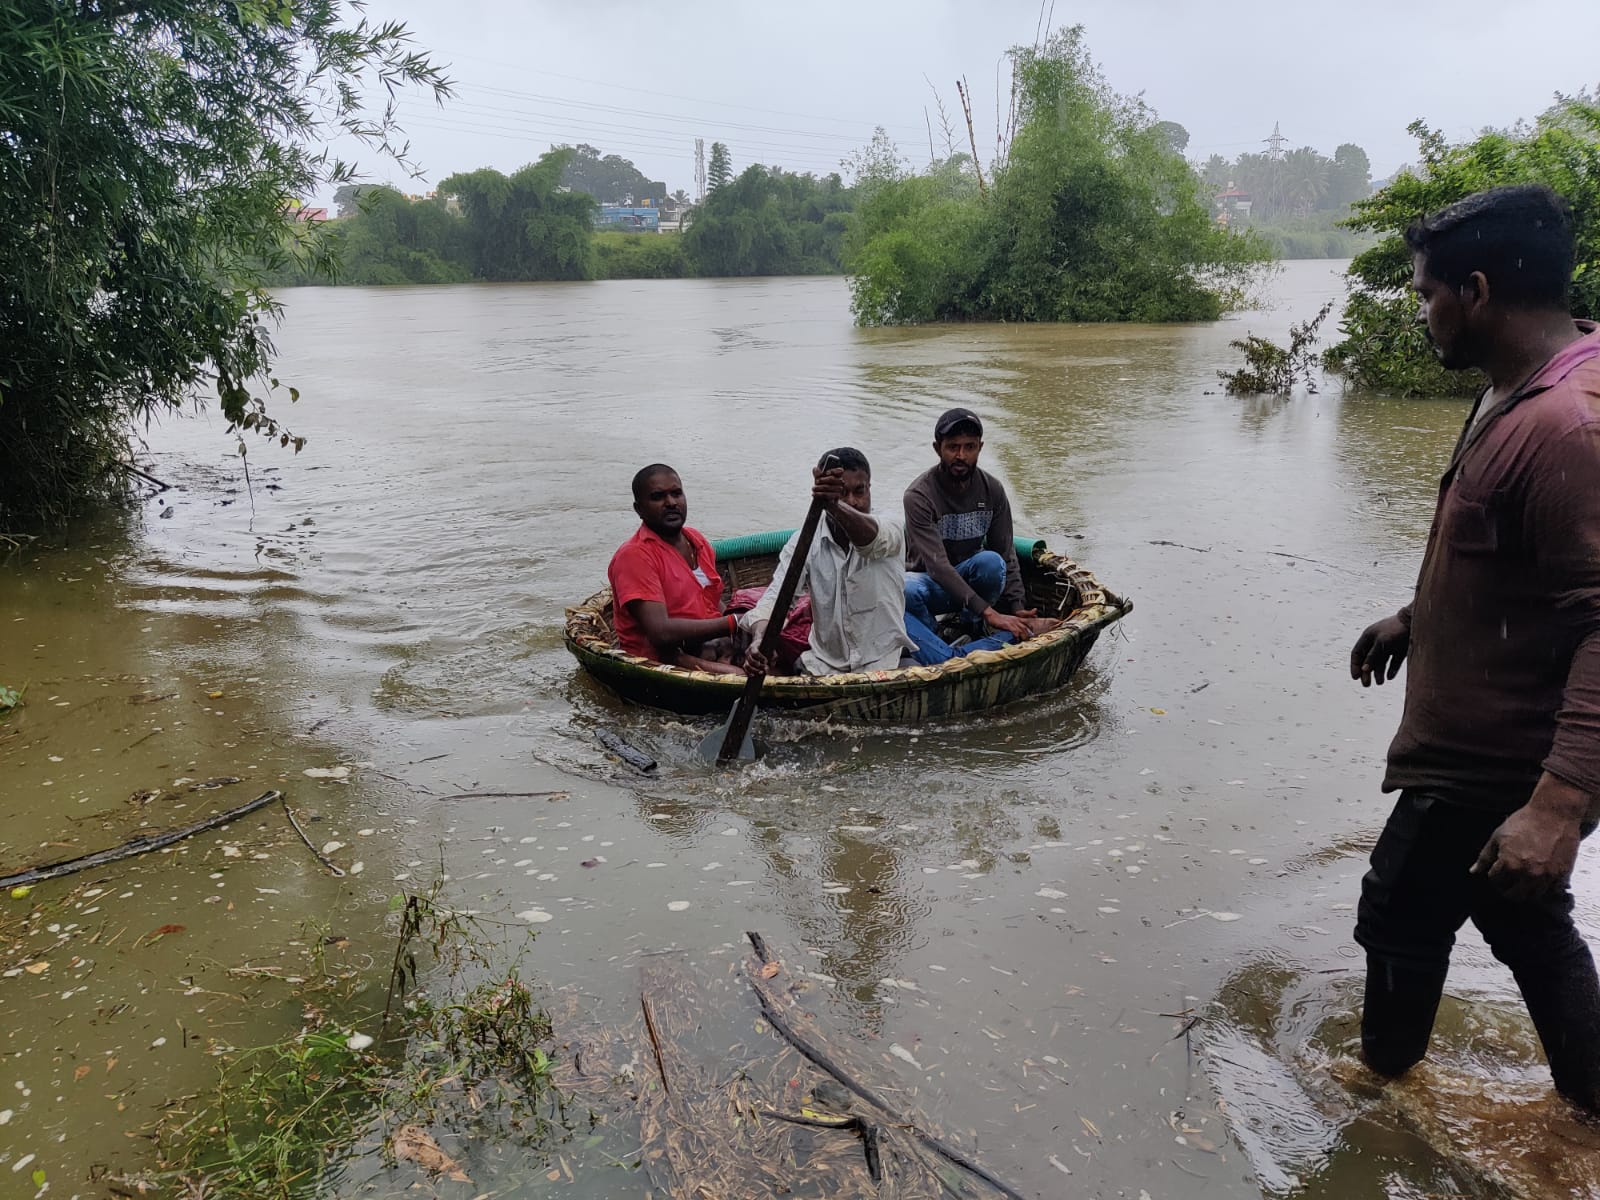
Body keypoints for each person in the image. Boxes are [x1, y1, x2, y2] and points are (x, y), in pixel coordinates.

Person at [1348, 184, 1600, 1113]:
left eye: (1424, 294)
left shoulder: (1567, 426)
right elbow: (1513, 553)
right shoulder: (1512, 389)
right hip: (1497, 747)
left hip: (1503, 763)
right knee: (1517, 916)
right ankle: (1588, 1112)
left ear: (1478, 290)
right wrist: (1413, 620)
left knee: (1402, 911)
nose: (1422, 312)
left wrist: (1558, 807)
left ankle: (1377, 1097)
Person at [741, 449, 1011, 674]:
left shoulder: (889, 527)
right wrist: (760, 640)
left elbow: (868, 542)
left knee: (943, 664)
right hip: (826, 666)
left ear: (870, 488)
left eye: (860, 491)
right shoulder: (804, 541)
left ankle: (1005, 634)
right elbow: (774, 602)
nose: (854, 502)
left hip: (885, 664)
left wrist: (834, 504)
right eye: (842, 493)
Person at [903, 408, 1056, 653]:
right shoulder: (919, 495)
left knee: (991, 562)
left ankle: (972, 627)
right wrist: (990, 613)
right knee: (905, 588)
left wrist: (1017, 607)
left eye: (969, 447)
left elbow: (1005, 552)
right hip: (930, 584)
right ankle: (934, 633)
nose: (961, 455)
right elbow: (937, 566)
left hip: (970, 580)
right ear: (937, 448)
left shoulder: (992, 490)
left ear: (980, 448)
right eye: (953, 447)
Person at [607, 464, 747, 675]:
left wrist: (735, 634)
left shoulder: (696, 540)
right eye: (657, 497)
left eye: (676, 493)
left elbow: (710, 600)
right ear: (639, 509)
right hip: (660, 659)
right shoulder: (634, 556)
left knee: (775, 651)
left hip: (703, 645)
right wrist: (734, 623)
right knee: (739, 677)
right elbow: (660, 633)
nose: (671, 503)